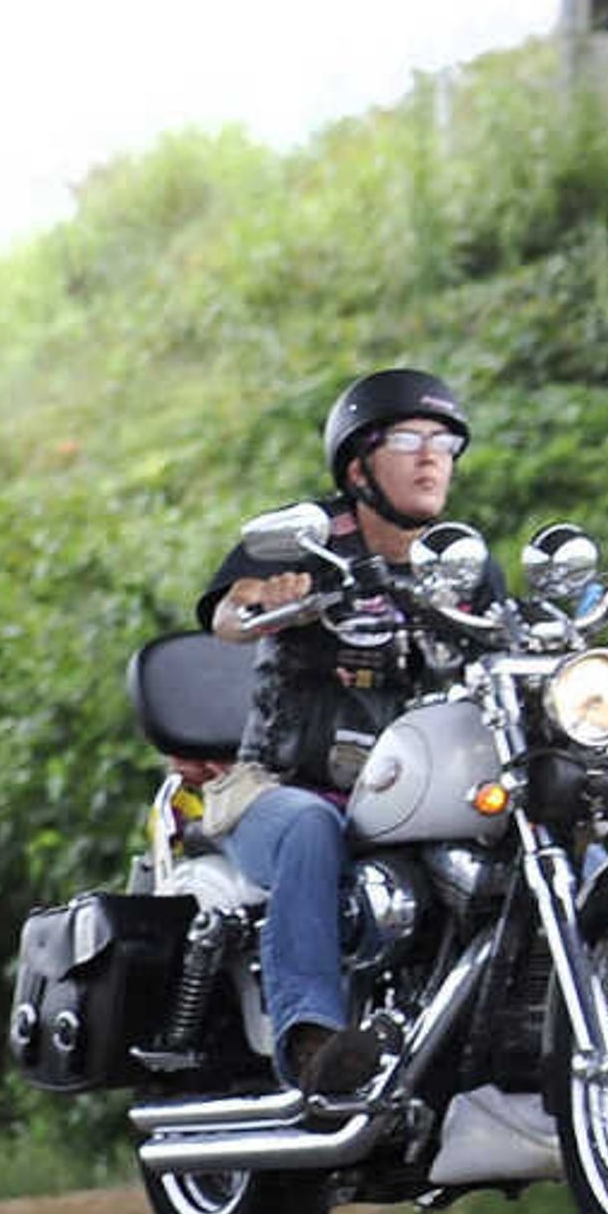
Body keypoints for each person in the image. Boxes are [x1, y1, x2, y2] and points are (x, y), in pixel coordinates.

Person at [172, 366, 474, 1096]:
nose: (433, 456)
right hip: (276, 786)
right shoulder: (311, 539)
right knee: (311, 828)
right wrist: (268, 601)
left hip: (411, 786)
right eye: (409, 439)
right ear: (359, 462)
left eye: (446, 442)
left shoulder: (459, 558)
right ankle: (310, 1041)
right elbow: (226, 616)